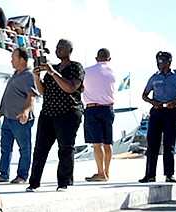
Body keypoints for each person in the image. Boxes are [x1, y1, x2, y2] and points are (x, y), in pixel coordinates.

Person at [27, 39, 84, 192]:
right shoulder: (54, 67)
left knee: (65, 148)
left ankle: (64, 183)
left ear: (70, 50)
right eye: (57, 47)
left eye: (61, 47)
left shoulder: (75, 67)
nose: (58, 50)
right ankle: (34, 182)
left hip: (68, 112)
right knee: (40, 148)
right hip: (48, 112)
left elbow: (71, 87)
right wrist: (37, 77)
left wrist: (53, 73)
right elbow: (43, 91)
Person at [0, 47, 37, 184]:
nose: (11, 61)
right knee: (5, 148)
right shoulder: (15, 75)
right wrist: (1, 111)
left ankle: (22, 176)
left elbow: (31, 95)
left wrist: (26, 111)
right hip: (8, 118)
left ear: (22, 60)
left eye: (13, 58)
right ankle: (3, 174)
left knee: (24, 148)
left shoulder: (29, 75)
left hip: (20, 119)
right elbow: (9, 96)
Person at [139, 51, 176, 183]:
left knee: (169, 144)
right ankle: (150, 174)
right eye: (158, 61)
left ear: (169, 62)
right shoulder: (154, 77)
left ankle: (169, 174)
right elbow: (144, 95)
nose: (159, 64)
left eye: (162, 61)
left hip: (171, 112)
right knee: (152, 144)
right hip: (157, 112)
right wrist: (152, 102)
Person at [82, 48, 117, 182]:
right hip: (108, 109)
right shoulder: (114, 71)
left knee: (97, 143)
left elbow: (81, 87)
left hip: (92, 108)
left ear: (97, 58)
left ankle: (100, 173)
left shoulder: (87, 71)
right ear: (109, 58)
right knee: (108, 142)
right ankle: (107, 172)